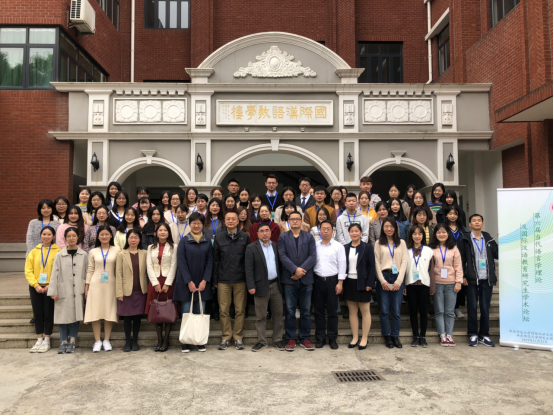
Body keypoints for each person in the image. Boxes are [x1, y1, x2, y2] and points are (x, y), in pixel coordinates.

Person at [278, 211, 317, 352]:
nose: (295, 221)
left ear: (301, 221)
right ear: (288, 221)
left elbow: (313, 256)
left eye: (297, 219)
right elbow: (282, 256)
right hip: (289, 279)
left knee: (306, 311)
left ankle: (305, 338)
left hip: (306, 279)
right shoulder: (283, 237)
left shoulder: (309, 237)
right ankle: (290, 338)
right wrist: (295, 270)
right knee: (290, 311)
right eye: (292, 219)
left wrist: (300, 272)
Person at [175, 212, 213, 353]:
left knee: (199, 311)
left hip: (203, 284)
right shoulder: (184, 241)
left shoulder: (207, 242)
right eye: (193, 223)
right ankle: (186, 341)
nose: (196, 226)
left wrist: (205, 280)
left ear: (203, 225)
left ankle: (198, 341)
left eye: (199, 223)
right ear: (189, 224)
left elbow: (210, 262)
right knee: (187, 312)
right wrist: (189, 281)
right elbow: (181, 263)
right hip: (187, 284)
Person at [459, 214, 498, 348]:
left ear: (482, 223)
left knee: (485, 307)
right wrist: (463, 276)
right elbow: (461, 259)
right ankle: (473, 334)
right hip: (471, 279)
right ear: (470, 224)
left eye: (479, 220)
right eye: (474, 221)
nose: (477, 222)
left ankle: (484, 335)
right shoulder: (464, 239)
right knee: (472, 307)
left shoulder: (489, 239)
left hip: (486, 278)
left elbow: (497, 254)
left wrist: (501, 240)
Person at [213, 211, 251, 351]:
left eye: (233, 219)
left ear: (237, 221)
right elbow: (215, 260)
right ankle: (226, 336)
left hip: (240, 279)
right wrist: (215, 279)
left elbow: (248, 260)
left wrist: (248, 279)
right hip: (223, 279)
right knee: (224, 310)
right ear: (225, 221)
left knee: (240, 310)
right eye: (228, 219)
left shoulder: (245, 237)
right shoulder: (219, 237)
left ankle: (238, 337)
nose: (230, 221)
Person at [48, 227, 88, 354]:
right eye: (69, 236)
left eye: (74, 236)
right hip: (63, 289)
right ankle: (63, 341)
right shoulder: (59, 255)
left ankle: (72, 340)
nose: (71, 238)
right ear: (65, 238)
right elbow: (54, 274)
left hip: (78, 290)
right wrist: (53, 291)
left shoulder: (83, 254)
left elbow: (87, 272)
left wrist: (87, 289)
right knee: (62, 316)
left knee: (76, 316)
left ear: (78, 237)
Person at [245, 223, 285, 352]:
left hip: (276, 285)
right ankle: (261, 341)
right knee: (260, 316)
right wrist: (251, 285)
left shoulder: (276, 246)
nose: (265, 233)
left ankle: (278, 339)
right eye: (261, 231)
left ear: (270, 232)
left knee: (278, 314)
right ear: (257, 234)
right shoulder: (251, 248)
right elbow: (248, 268)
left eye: (267, 230)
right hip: (260, 286)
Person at [25, 226, 61, 353]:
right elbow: (28, 270)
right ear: (40, 235)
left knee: (48, 314)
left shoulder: (58, 251)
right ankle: (39, 339)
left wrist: (50, 285)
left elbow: (59, 270)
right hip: (35, 287)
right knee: (38, 313)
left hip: (50, 287)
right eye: (44, 234)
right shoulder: (34, 251)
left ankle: (47, 340)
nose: (46, 236)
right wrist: (36, 285)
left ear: (53, 236)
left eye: (49, 234)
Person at [85, 225, 120, 353]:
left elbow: (118, 270)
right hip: (96, 284)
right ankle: (97, 341)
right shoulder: (93, 251)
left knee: (108, 312)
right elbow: (90, 269)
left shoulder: (117, 251)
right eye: (102, 234)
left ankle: (106, 340)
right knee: (96, 312)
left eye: (106, 234)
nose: (104, 236)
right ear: (98, 237)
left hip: (111, 284)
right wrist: (87, 286)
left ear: (111, 236)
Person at [374, 218, 408, 349]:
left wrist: (399, 281)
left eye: (391, 226)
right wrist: (382, 281)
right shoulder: (378, 243)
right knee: (384, 310)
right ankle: (387, 335)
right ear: (383, 228)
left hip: (397, 276)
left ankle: (395, 335)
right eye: (386, 226)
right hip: (384, 275)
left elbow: (404, 262)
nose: (389, 229)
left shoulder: (402, 243)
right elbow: (377, 263)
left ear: (395, 228)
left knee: (396, 310)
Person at [312, 220, 347, 350]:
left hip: (333, 282)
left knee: (332, 312)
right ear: (319, 231)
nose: (325, 231)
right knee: (318, 311)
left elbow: (342, 265)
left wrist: (340, 283)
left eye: (328, 229)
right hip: (317, 281)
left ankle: (332, 338)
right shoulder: (314, 245)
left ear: (333, 231)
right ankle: (320, 338)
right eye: (323, 229)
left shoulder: (339, 246)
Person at [145, 223, 178, 352]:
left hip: (168, 281)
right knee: (156, 309)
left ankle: (166, 340)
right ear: (156, 232)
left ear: (168, 233)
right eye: (160, 230)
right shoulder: (150, 247)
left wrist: (167, 283)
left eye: (165, 230)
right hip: (155, 282)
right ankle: (159, 339)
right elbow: (149, 266)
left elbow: (174, 265)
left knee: (168, 309)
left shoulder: (174, 247)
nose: (162, 232)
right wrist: (155, 283)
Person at [429, 224, 463, 347]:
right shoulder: (431, 249)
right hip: (437, 283)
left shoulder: (454, 248)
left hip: (451, 283)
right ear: (435, 234)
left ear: (448, 234)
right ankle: (442, 335)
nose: (441, 234)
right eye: (439, 232)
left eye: (444, 232)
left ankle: (449, 335)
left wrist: (458, 282)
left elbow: (458, 266)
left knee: (449, 311)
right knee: (439, 311)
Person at [115, 230, 148, 353]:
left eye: (136, 237)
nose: (133, 240)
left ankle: (135, 341)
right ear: (127, 239)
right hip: (126, 291)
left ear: (139, 239)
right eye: (131, 237)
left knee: (137, 317)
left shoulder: (144, 253)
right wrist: (119, 292)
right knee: (127, 318)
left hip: (140, 290)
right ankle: (127, 342)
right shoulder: (121, 254)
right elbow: (118, 274)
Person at [344, 224, 376, 350]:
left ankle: (364, 338)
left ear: (361, 232)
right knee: (352, 312)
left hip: (363, 282)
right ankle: (355, 337)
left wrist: (370, 283)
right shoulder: (345, 248)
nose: (354, 233)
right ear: (349, 233)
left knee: (365, 311)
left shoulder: (367, 247)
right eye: (352, 231)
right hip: (349, 282)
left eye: (356, 231)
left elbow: (372, 266)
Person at [404, 225, 435, 348]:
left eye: (420, 234)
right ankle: (415, 335)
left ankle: (423, 336)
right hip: (410, 284)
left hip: (424, 285)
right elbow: (403, 270)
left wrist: (432, 286)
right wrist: (404, 286)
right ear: (411, 235)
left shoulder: (428, 250)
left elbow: (431, 270)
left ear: (423, 236)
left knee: (423, 311)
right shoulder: (406, 250)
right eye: (414, 234)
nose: (417, 236)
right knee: (412, 311)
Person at [443, 205, 467, 319]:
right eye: (450, 213)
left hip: (460, 259)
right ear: (446, 215)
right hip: (446, 259)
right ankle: (449, 308)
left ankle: (457, 308)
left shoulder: (463, 229)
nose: (452, 216)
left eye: (455, 214)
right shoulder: (444, 228)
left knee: (459, 282)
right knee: (448, 284)